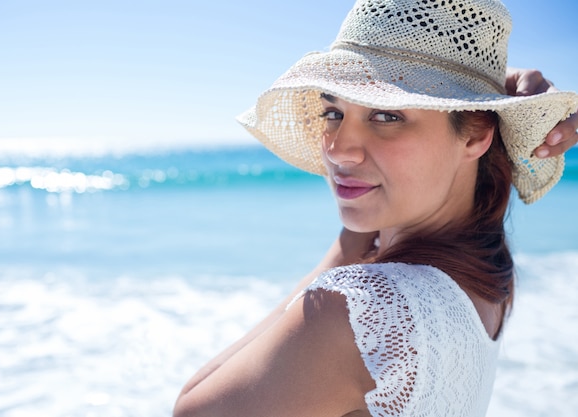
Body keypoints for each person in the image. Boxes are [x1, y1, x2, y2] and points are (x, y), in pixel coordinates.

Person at [174, 0, 578, 415]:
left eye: (386, 115)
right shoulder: (487, 275)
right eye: (334, 112)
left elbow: (190, 408)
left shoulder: (356, 312)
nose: (338, 150)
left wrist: (346, 248)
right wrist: (488, 90)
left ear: (477, 135)